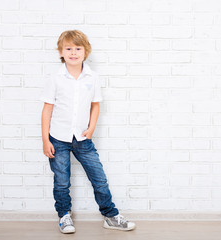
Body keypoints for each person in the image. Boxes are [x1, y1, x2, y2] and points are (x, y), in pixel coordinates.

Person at [40, 30, 136, 234]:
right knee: (62, 181)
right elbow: (47, 109)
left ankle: (110, 215)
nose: (73, 53)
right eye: (68, 48)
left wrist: (91, 128)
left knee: (99, 178)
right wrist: (45, 140)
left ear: (85, 51)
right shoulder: (55, 78)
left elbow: (95, 105)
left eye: (78, 48)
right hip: (58, 138)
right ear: (61, 52)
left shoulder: (92, 77)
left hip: (83, 138)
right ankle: (64, 216)